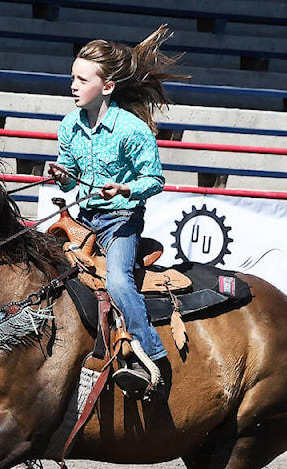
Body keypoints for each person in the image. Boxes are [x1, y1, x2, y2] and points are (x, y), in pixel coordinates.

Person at [49, 26, 185, 394]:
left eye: (82, 79)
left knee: (119, 281)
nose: (73, 85)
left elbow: (154, 180)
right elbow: (69, 180)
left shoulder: (131, 130)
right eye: (72, 77)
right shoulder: (69, 127)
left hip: (121, 222)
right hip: (85, 220)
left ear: (106, 86)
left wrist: (125, 188)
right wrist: (62, 176)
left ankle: (153, 357)